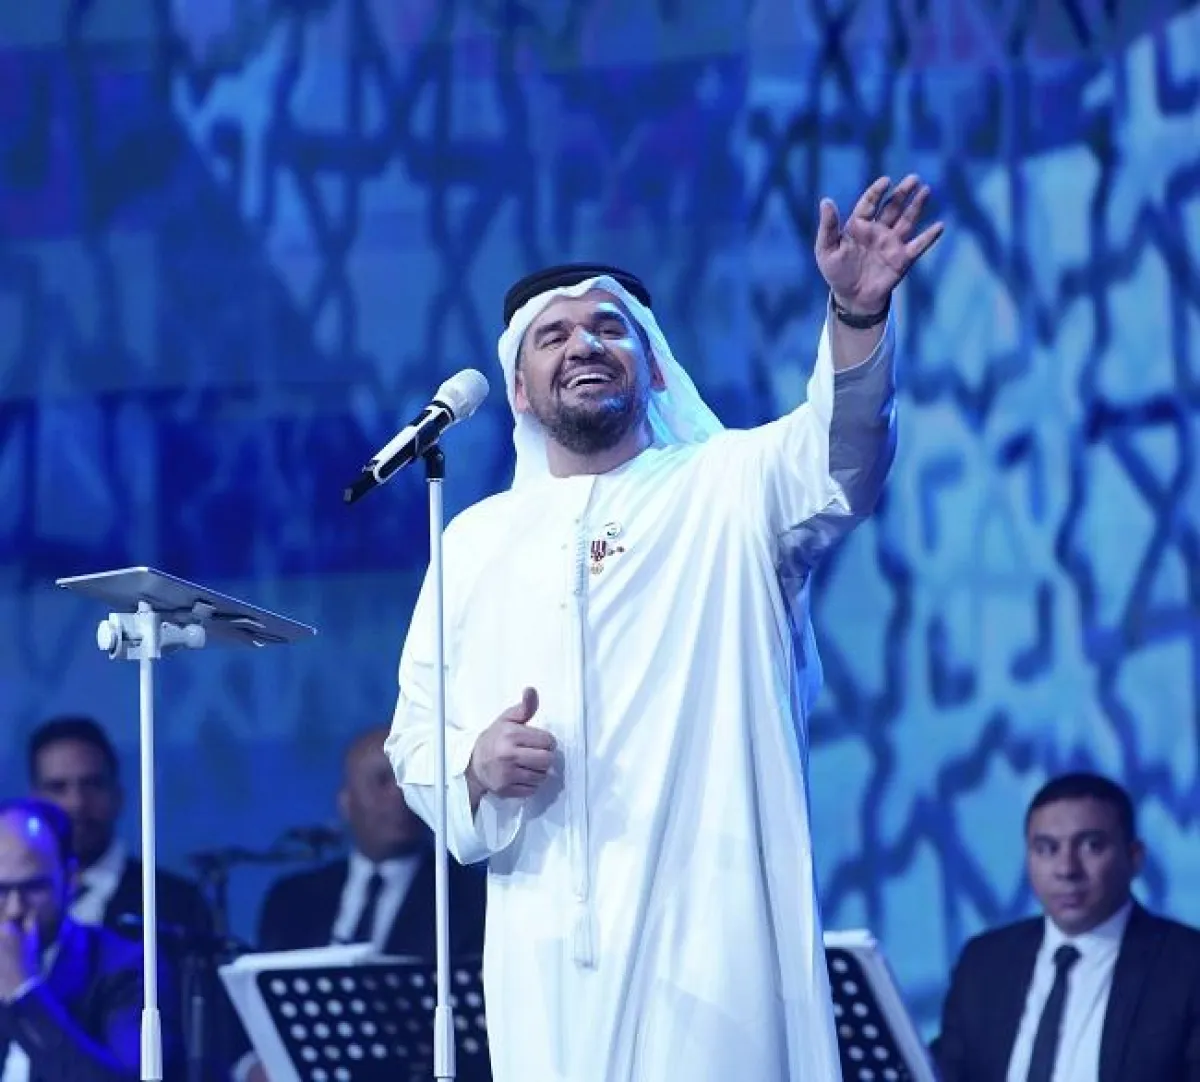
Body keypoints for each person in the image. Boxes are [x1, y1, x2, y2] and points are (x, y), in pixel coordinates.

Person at [384, 174, 943, 1082]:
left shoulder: (730, 487)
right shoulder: (475, 542)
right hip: (543, 951)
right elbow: (415, 739)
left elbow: (842, 459)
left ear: (652, 367)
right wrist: (475, 766)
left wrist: (855, 316)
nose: (584, 345)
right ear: (519, 389)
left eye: (610, 329)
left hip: (710, 938)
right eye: (554, 336)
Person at [235, 727, 486, 1082]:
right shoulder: (291, 900)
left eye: (407, 782)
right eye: (382, 781)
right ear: (346, 801)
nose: (398, 796)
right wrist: (251, 1066)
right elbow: (250, 1013)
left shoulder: (469, 897)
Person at [932, 772, 1200, 1082]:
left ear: (1134, 858)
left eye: (1091, 846)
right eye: (1047, 849)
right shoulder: (985, 963)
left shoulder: (1187, 966)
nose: (1066, 869)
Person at [0, 797, 184, 1082]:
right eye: (1, 890)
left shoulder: (127, 966)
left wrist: (26, 992)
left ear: (70, 880)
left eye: (34, 888)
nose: (15, 909)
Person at [28, 716, 213, 941]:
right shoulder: (13, 904)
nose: (76, 803)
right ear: (33, 801)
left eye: (92, 784)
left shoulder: (176, 902)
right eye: (58, 788)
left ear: (118, 794)